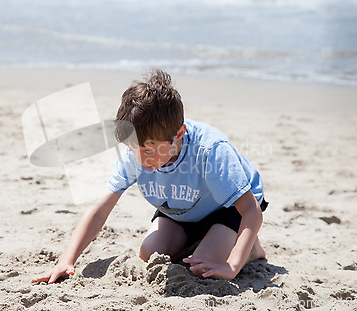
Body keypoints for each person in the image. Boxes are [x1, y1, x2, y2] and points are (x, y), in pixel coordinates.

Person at [32, 69, 268, 284]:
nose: (141, 160)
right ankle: (208, 240)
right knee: (150, 253)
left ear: (178, 134)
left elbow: (250, 210)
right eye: (132, 148)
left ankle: (250, 248)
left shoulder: (209, 150)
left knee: (203, 266)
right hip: (180, 210)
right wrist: (67, 260)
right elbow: (99, 210)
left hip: (228, 209)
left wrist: (231, 265)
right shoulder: (136, 153)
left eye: (149, 151)